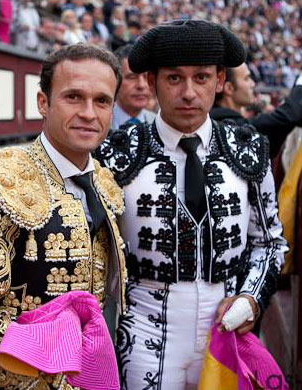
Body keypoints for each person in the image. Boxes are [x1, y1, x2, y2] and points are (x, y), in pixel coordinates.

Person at [95, 20, 287, 390]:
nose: (188, 93)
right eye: (173, 79)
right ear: (151, 83)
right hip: (144, 333)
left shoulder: (247, 150)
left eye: (201, 78)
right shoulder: (117, 154)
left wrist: (251, 296)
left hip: (225, 329)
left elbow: (269, 242)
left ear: (219, 81)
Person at [0, 43, 127, 390]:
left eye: (101, 101)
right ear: (43, 102)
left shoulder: (105, 183)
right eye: (73, 97)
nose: (89, 112)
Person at [211, 63, 302, 158]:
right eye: (246, 78)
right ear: (229, 88)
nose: (253, 83)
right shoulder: (222, 124)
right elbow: (285, 117)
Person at [111, 44, 155, 129]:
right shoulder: (99, 123)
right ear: (115, 81)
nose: (141, 85)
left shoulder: (159, 125)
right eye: (132, 77)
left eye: (146, 77)